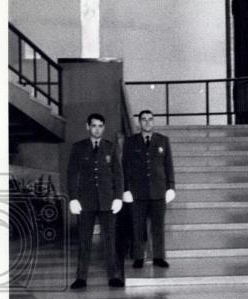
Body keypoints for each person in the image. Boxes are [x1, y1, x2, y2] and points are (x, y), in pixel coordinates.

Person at [66, 113, 124, 289]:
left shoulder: (111, 147)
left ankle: (113, 276)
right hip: (86, 202)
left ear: (103, 127)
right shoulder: (78, 148)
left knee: (110, 240)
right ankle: (81, 278)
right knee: (84, 240)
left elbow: (118, 175)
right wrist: (73, 198)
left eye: (100, 125)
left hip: (107, 201)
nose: (97, 129)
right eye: (94, 125)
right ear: (87, 126)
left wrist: (118, 197)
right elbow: (72, 175)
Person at [122, 109, 176, 269]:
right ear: (139, 122)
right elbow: (125, 167)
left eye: (150, 119)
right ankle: (139, 257)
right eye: (143, 119)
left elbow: (168, 166)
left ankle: (159, 257)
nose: (147, 122)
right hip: (138, 193)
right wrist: (126, 189)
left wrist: (171, 186)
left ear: (153, 121)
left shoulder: (163, 141)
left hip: (159, 191)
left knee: (158, 226)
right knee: (138, 226)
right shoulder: (130, 142)